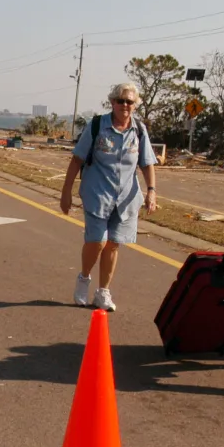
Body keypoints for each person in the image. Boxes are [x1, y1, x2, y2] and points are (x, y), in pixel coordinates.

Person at [60, 82, 159, 312]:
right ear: (112, 102)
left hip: (125, 198)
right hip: (97, 194)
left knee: (114, 244)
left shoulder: (139, 130)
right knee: (97, 241)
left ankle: (103, 292)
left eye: (130, 102)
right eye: (121, 100)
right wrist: (66, 193)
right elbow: (77, 160)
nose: (125, 105)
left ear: (135, 105)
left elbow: (147, 163)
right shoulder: (97, 126)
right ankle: (84, 279)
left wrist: (151, 191)